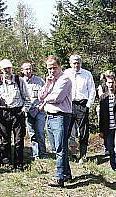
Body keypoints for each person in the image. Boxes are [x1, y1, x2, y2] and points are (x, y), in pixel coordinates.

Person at [38, 56, 73, 187]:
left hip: (61, 116)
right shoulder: (51, 80)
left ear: (60, 66)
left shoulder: (65, 79)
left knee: (60, 148)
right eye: (49, 68)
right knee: (56, 147)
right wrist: (47, 84)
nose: (52, 71)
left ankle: (59, 178)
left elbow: (57, 97)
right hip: (50, 116)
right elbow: (40, 95)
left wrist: (45, 100)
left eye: (54, 67)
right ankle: (67, 174)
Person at [0, 59, 31, 170]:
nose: (7, 70)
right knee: (4, 138)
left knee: (19, 139)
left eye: (9, 68)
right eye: (5, 69)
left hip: (18, 112)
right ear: (1, 70)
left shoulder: (19, 80)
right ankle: (5, 161)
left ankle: (19, 163)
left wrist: (24, 110)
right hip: (3, 112)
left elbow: (27, 98)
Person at [63, 54, 95, 162]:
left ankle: (83, 155)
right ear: (70, 63)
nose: (76, 65)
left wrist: (88, 106)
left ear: (81, 63)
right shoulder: (66, 73)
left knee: (83, 131)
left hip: (82, 105)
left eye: (78, 63)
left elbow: (92, 91)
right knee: (66, 131)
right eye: (74, 63)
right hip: (69, 105)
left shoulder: (87, 74)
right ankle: (68, 154)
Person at [20, 62, 47, 160]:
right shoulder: (20, 81)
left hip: (39, 110)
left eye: (30, 69)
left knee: (40, 132)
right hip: (27, 111)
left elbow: (46, 95)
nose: (28, 71)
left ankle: (43, 153)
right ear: (22, 70)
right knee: (32, 134)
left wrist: (42, 106)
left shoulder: (39, 81)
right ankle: (36, 155)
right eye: (26, 69)